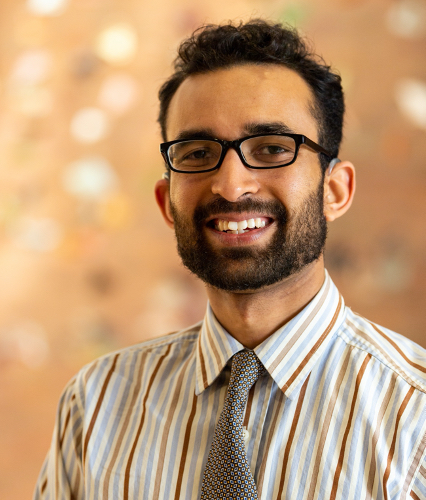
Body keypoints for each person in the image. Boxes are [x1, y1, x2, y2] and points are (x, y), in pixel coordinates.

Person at [34, 20, 426, 500]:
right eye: (198, 152)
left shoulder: (415, 416)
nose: (231, 185)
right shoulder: (95, 404)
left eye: (272, 149)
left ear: (336, 190)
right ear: (166, 202)